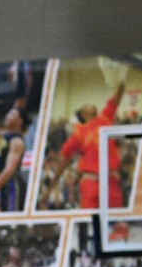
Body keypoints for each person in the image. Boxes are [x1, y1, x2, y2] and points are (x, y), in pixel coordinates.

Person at [52, 81, 126, 209]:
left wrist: (121, 83)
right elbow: (65, 157)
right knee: (90, 219)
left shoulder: (105, 119)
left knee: (117, 220)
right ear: (83, 114)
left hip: (111, 179)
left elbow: (115, 100)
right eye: (86, 105)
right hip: (91, 181)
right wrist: (55, 180)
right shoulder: (79, 132)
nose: (90, 105)